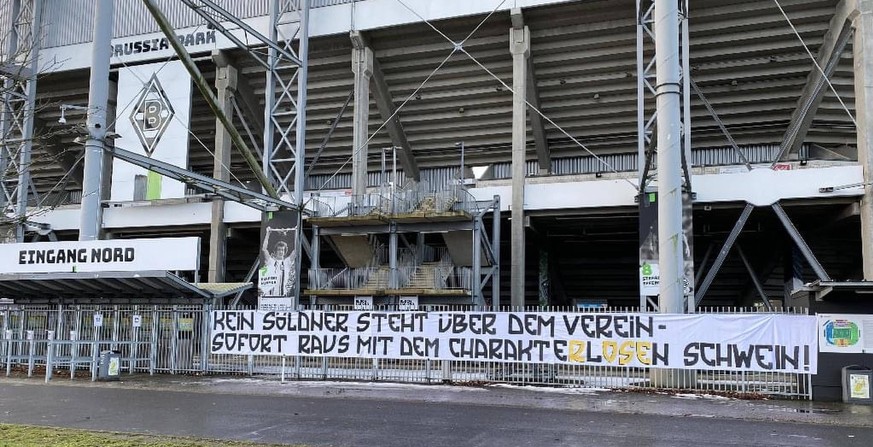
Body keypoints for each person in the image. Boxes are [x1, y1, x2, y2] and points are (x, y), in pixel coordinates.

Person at [259, 226, 295, 297]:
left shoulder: (287, 262)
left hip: (283, 295)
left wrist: (295, 232)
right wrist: (268, 233)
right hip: (269, 295)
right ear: (275, 251)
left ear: (285, 252)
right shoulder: (270, 261)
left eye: (282, 250)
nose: (281, 252)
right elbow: (264, 249)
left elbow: (295, 250)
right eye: (279, 250)